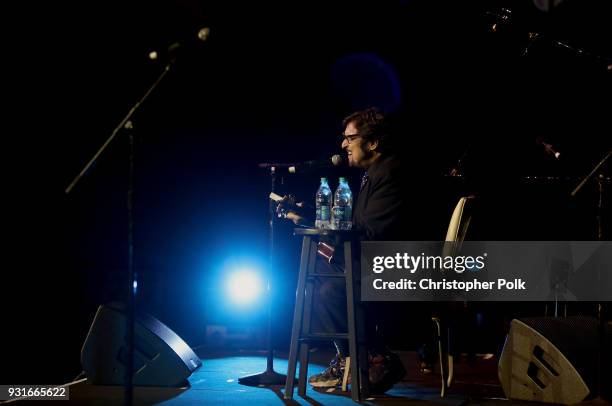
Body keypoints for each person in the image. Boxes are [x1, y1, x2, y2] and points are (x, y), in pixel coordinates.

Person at [282, 107, 418, 393]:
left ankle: (367, 358)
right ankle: (357, 358)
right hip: (374, 261)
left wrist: (319, 227)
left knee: (326, 286)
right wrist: (310, 214)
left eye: (350, 138)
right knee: (316, 276)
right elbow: (357, 224)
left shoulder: (391, 173)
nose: (343, 144)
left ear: (373, 142)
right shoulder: (374, 173)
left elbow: (371, 231)